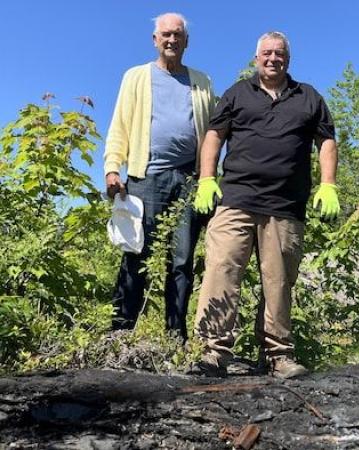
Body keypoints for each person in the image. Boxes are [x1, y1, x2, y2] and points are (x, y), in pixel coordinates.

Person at [192, 31, 340, 378]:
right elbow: (214, 135)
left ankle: (278, 356)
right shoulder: (237, 93)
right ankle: (213, 352)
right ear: (256, 58)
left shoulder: (309, 97)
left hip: (285, 206)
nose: (273, 58)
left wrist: (329, 184)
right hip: (236, 199)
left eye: (279, 53)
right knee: (221, 270)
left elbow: (327, 140)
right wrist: (206, 178)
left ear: (288, 58)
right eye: (266, 53)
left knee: (278, 281)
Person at [104, 13, 216, 338]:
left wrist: (210, 178)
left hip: (189, 181)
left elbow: (213, 133)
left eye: (177, 35)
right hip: (145, 178)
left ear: (186, 42)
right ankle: (120, 334)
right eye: (165, 34)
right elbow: (119, 126)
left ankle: (175, 337)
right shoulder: (137, 77)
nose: (171, 40)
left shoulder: (202, 82)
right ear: (155, 40)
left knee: (181, 260)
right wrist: (113, 167)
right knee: (136, 253)